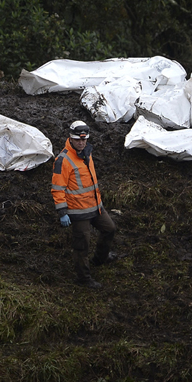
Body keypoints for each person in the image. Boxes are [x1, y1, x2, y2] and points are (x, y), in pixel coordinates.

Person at [51, 120, 118, 288]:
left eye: (84, 139)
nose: (81, 143)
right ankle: (83, 278)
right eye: (78, 140)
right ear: (71, 139)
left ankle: (100, 258)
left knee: (110, 229)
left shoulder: (87, 153)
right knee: (82, 246)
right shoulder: (63, 160)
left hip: (95, 206)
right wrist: (62, 212)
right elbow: (57, 188)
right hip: (78, 211)